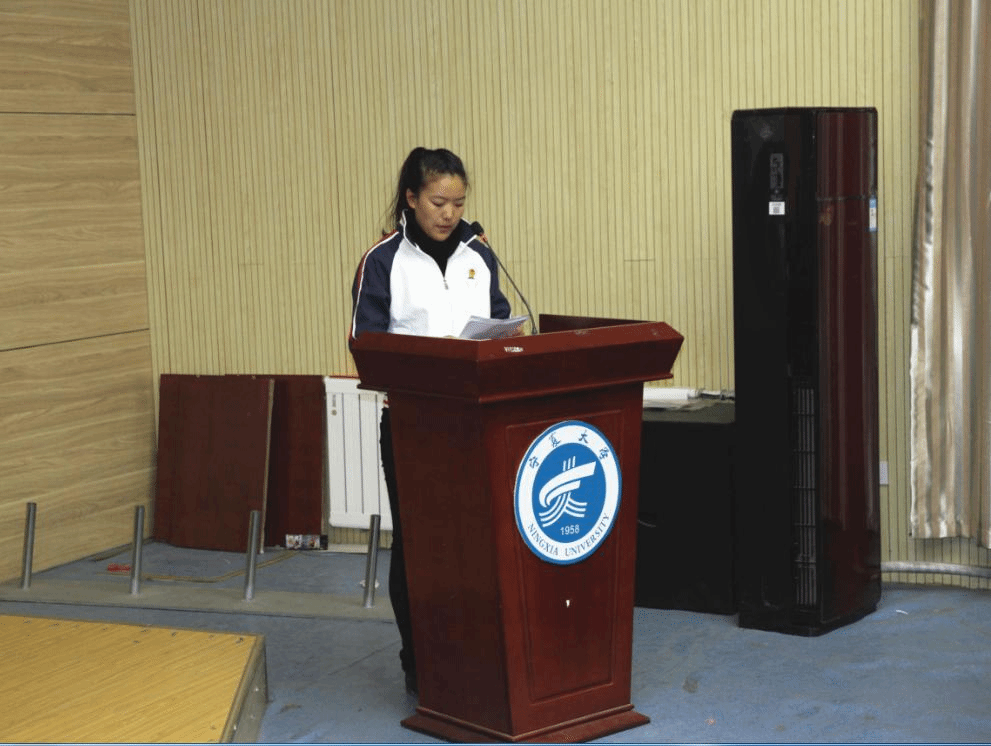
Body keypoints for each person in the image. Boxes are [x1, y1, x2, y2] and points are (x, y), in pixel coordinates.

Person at [349, 147, 511, 696]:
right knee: (420, 545)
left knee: (478, 543)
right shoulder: (382, 261)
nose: (449, 213)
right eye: (439, 202)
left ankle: (477, 654)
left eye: (458, 203)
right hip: (413, 425)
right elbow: (366, 346)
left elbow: (498, 321)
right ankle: (420, 662)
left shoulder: (479, 253)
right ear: (412, 198)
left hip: (476, 422)